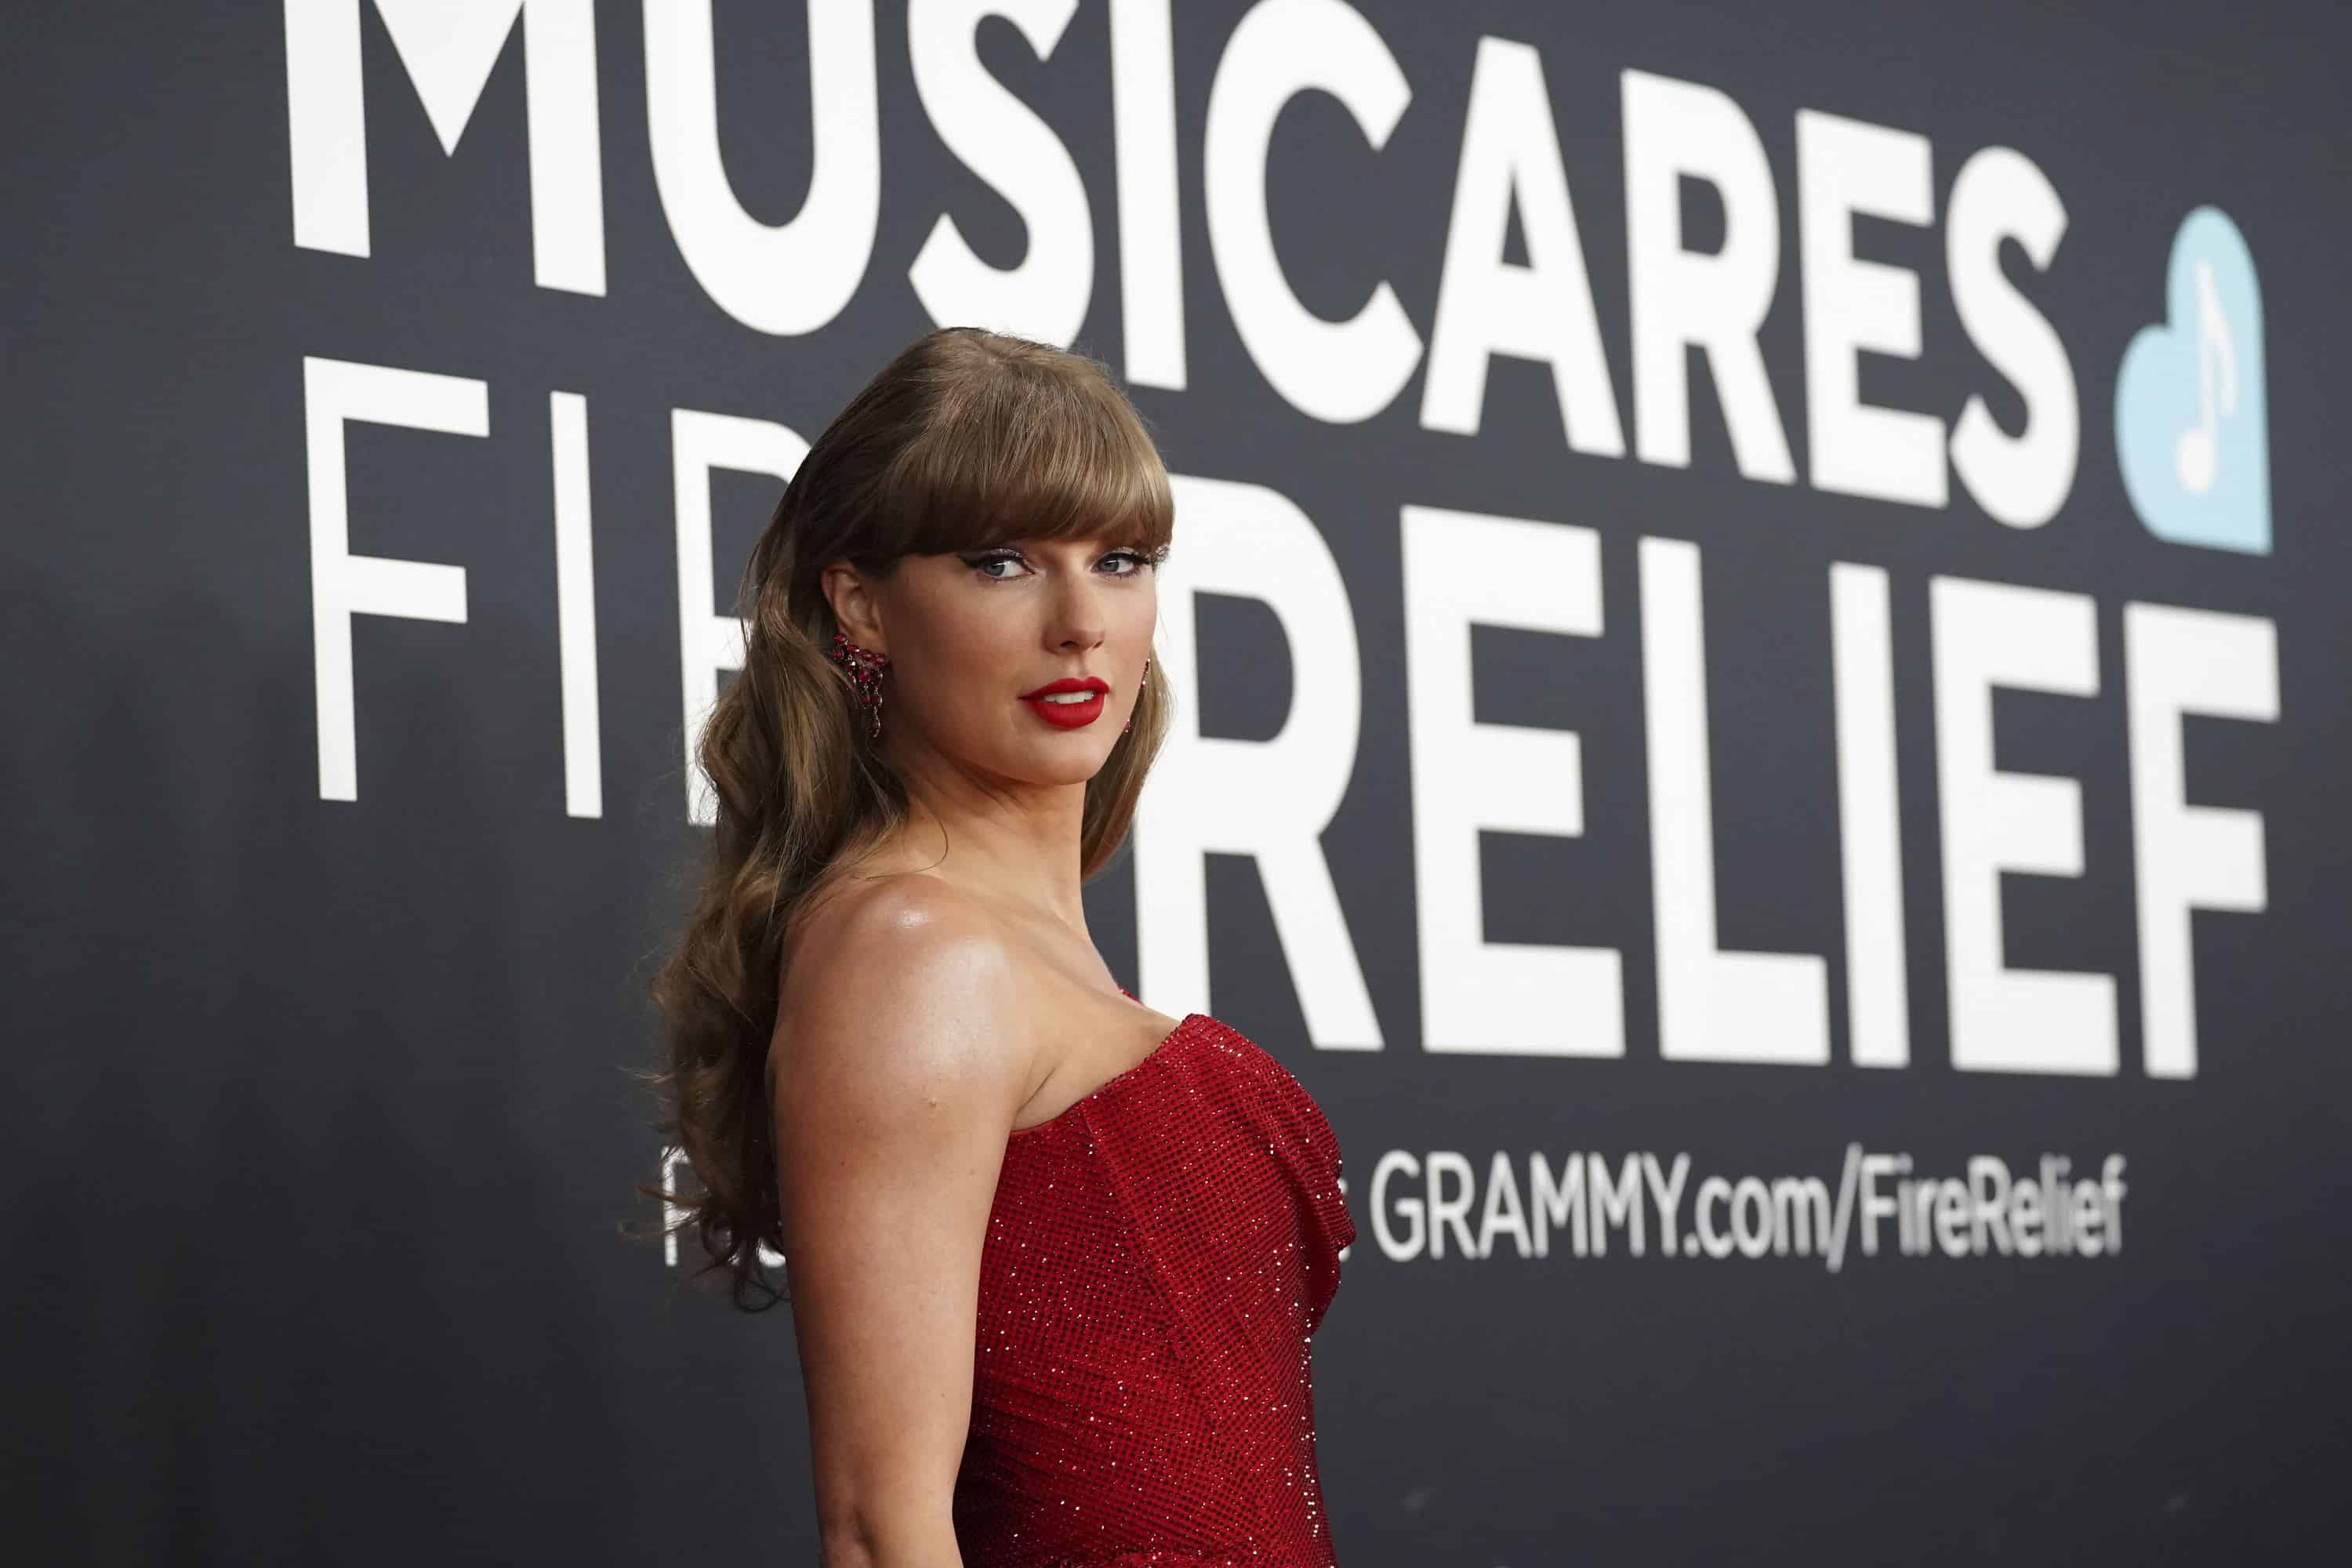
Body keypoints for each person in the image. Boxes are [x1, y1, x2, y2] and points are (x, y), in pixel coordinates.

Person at [646, 327, 1356, 1567]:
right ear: (860, 602)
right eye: (1003, 562)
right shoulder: (915, 952)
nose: (1083, 622)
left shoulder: (1017, 949)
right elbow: (881, 1528)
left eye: (1122, 559)